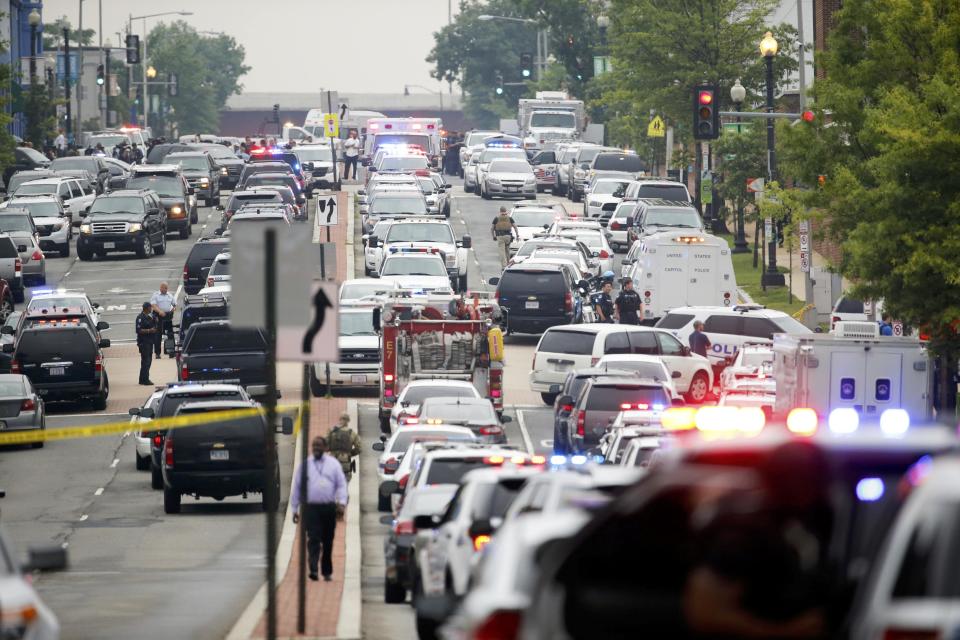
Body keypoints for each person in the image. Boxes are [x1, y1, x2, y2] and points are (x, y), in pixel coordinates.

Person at [291, 436, 347, 582]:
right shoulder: (306, 465)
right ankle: (314, 569)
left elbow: (341, 485)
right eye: (314, 446)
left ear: (326, 447)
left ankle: (327, 571)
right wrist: (294, 508)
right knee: (313, 538)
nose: (316, 448)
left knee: (328, 541)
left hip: (329, 508)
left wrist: (341, 503)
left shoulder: (333, 465)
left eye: (319, 446)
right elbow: (297, 487)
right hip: (311, 509)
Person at [328, 412, 362, 482]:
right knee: (344, 485)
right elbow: (359, 448)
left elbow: (325, 444)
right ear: (348, 421)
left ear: (339, 419)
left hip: (332, 462)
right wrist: (350, 454)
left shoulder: (332, 431)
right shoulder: (352, 433)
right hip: (345, 463)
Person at [151, 282, 176, 357]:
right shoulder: (156, 295)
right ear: (161, 287)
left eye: (166, 288)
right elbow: (153, 305)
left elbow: (174, 304)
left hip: (168, 316)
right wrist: (160, 311)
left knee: (170, 334)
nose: (165, 289)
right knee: (158, 335)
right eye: (164, 288)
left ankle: (171, 352)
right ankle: (157, 353)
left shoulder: (170, 295)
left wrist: (173, 309)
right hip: (158, 316)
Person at [135, 302, 157, 385]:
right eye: (150, 307)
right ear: (147, 308)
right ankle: (145, 379)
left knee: (148, 360)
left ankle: (142, 379)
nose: (151, 309)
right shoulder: (140, 318)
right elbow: (138, 330)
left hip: (150, 341)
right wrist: (149, 331)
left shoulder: (151, 316)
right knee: (146, 361)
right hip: (143, 342)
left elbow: (155, 324)